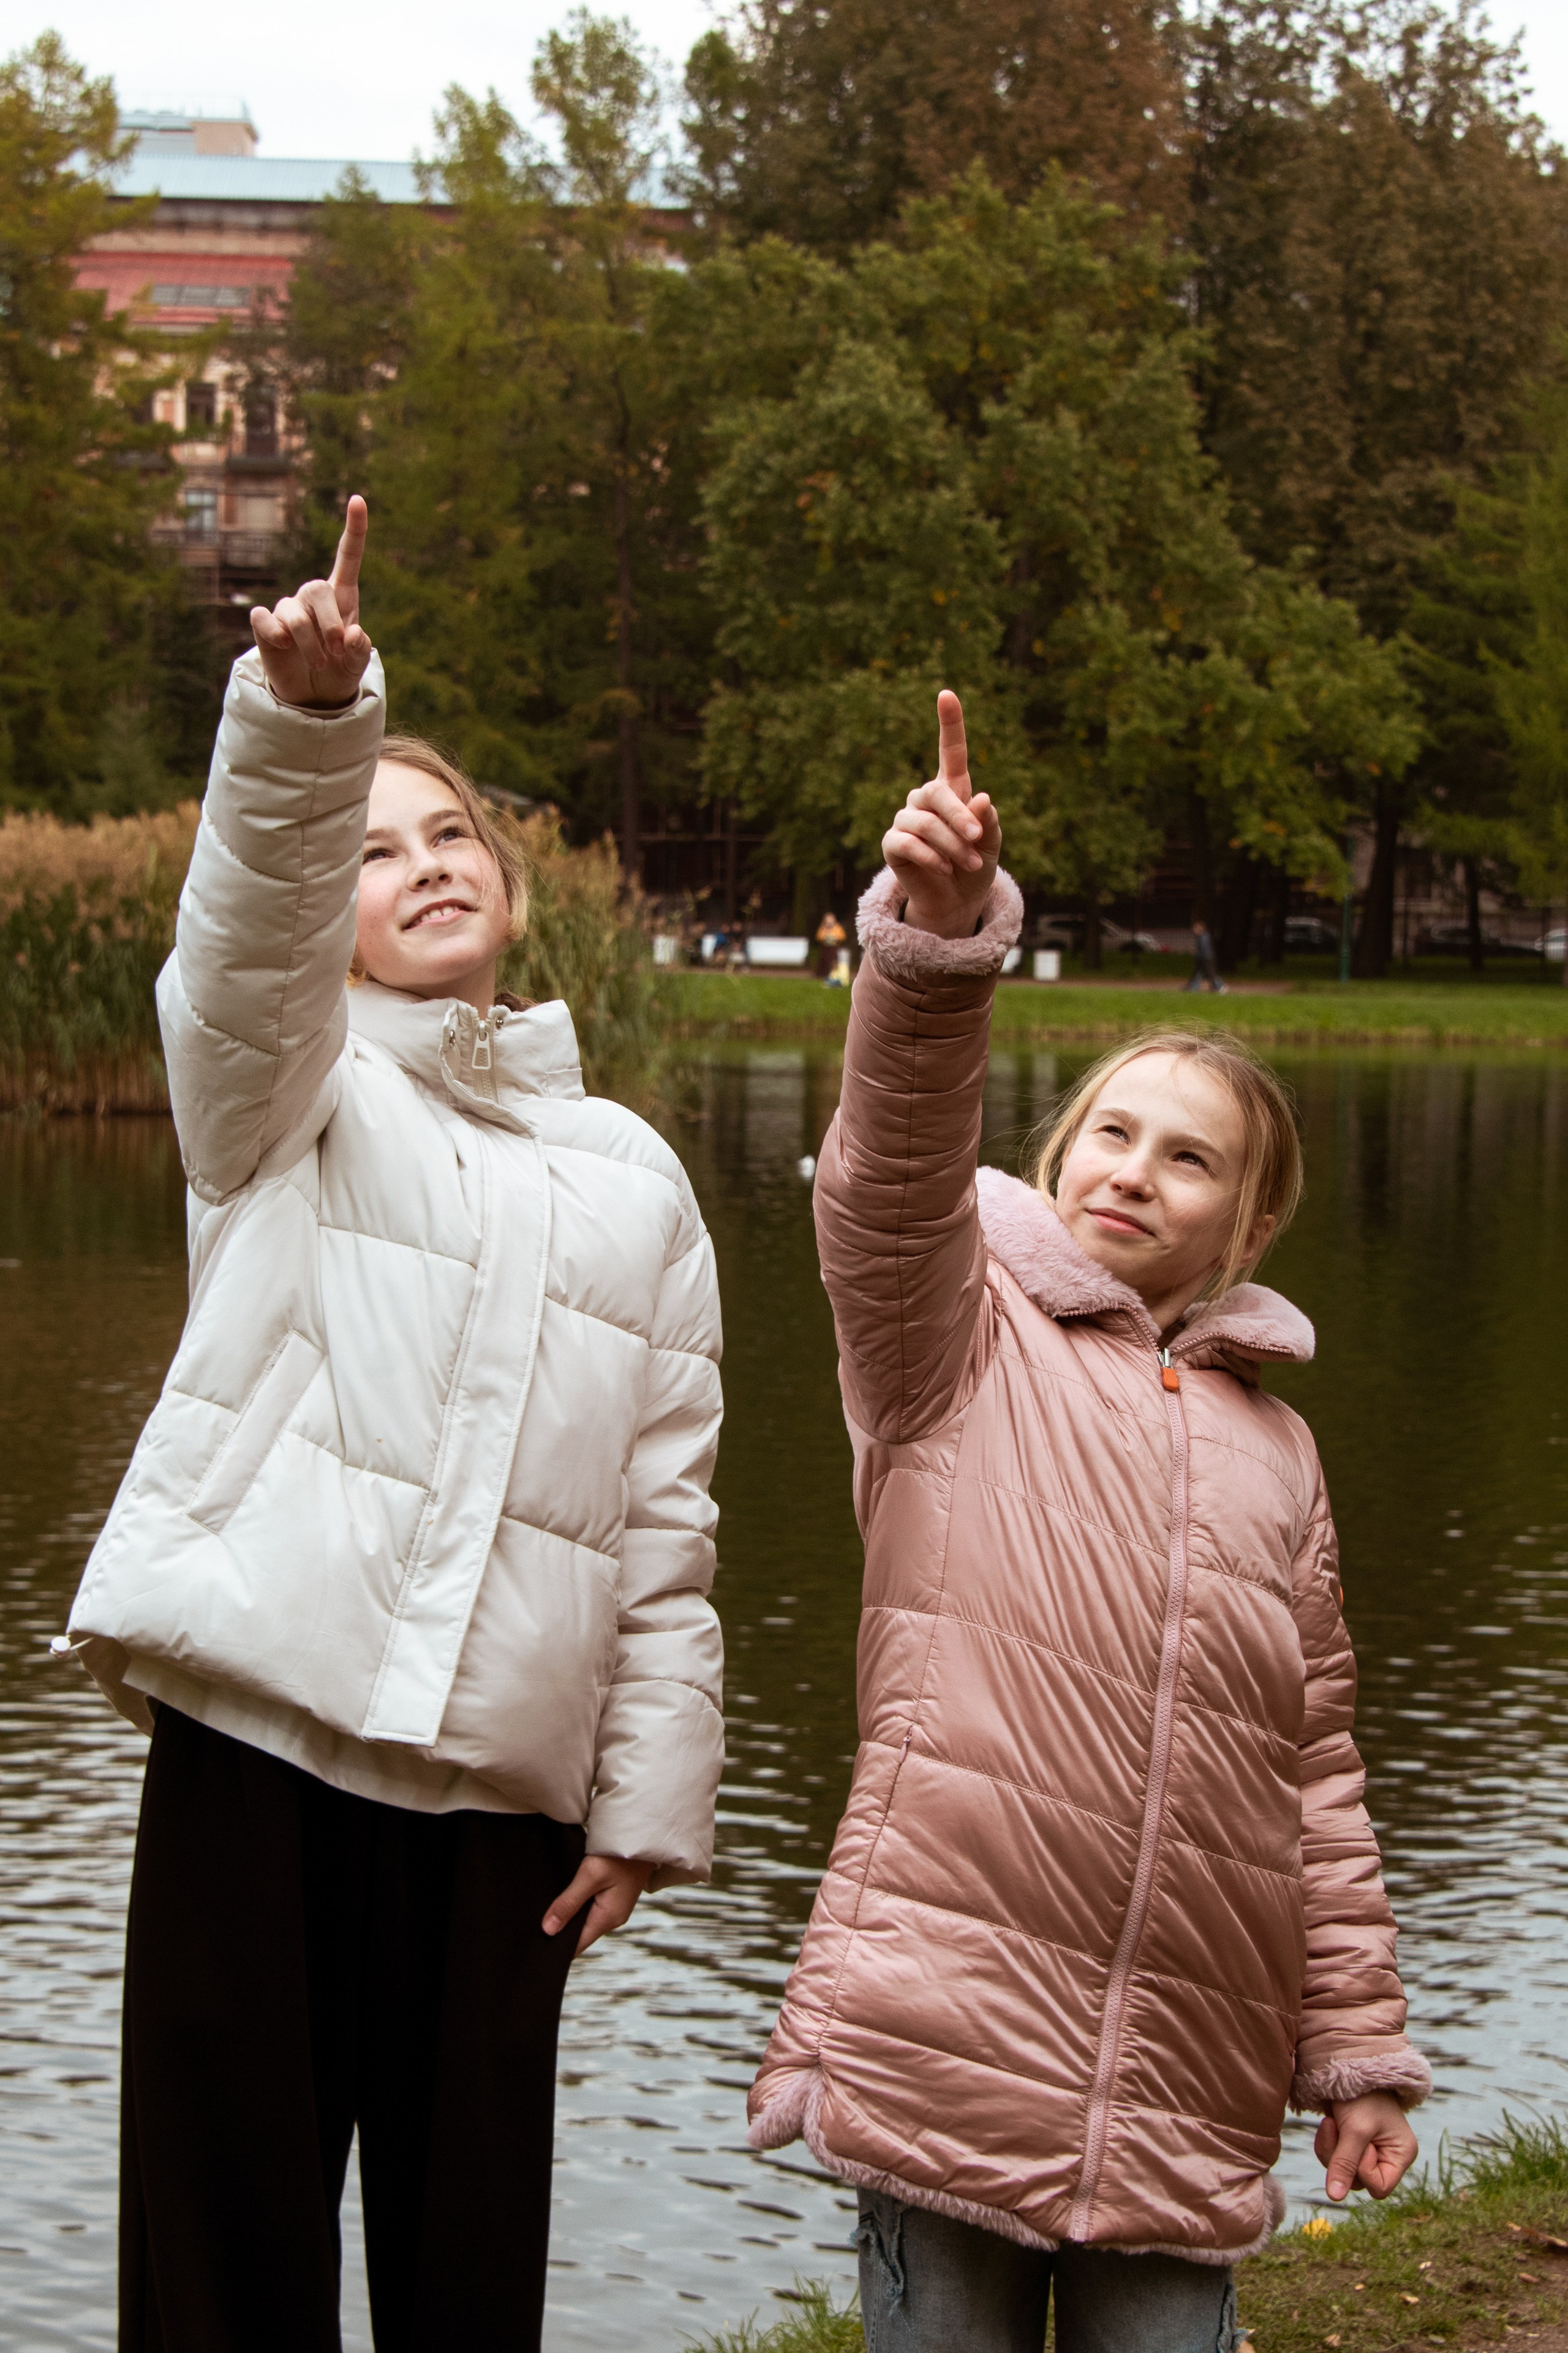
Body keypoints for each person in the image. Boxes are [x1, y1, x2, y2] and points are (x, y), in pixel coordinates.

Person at [55, 500, 725, 2353]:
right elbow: (241, 937)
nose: (419, 861)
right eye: (371, 848)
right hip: (255, 1760)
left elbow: (664, 1517)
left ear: (509, 880)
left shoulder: (634, 1176)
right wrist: (306, 732)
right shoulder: (281, 1089)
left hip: (498, 1810)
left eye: (448, 832)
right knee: (223, 2258)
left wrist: (647, 1794)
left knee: (466, 2277)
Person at [748, 690, 1426, 2352]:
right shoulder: (947, 1342)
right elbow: (889, 1161)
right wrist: (939, 936)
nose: (1132, 1171)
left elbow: (1314, 1781)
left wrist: (1353, 2054)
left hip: (1192, 2079)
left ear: (1246, 1220)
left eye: (1187, 1159)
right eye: (1110, 1132)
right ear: (1060, 1151)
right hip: (947, 2039)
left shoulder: (1281, 1454)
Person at [1186, 915, 1226, 992]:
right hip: (1203, 958)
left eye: (1195, 928)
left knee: (1211, 974)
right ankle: (1193, 987)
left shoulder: (1203, 937)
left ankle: (1220, 987)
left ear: (1200, 929)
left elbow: (1205, 949)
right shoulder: (1200, 936)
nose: (1194, 930)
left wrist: (1198, 954)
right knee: (1199, 973)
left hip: (1207, 959)